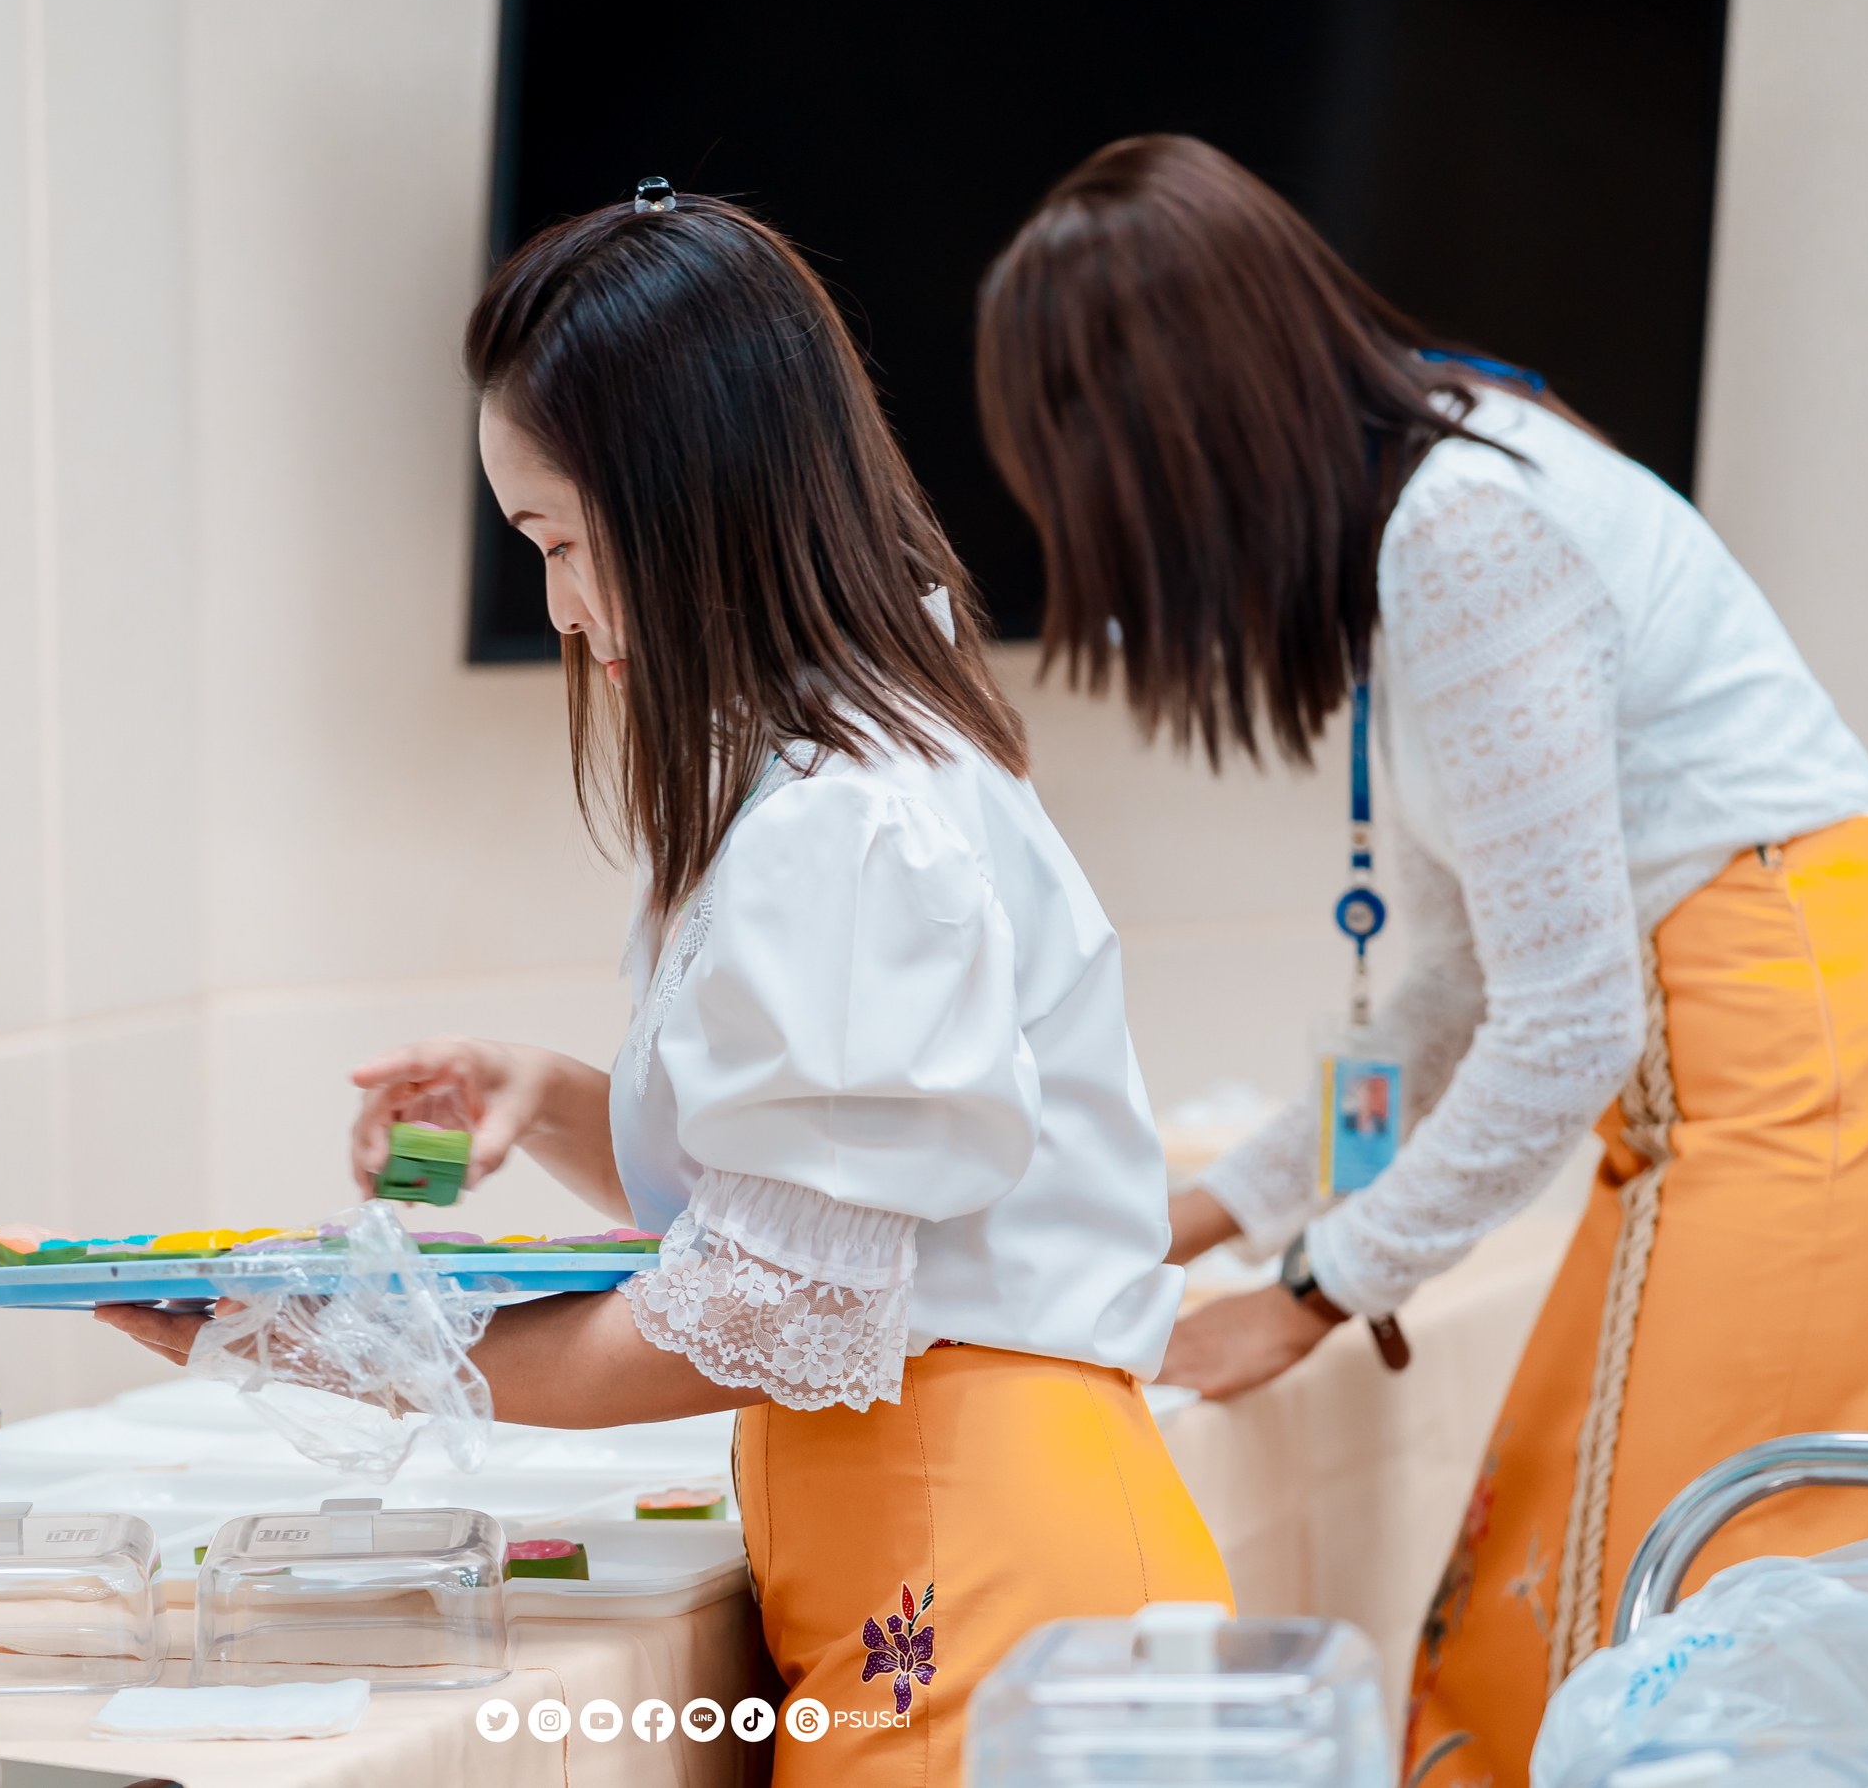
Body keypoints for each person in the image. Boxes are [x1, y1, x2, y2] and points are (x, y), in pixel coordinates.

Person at [101, 184, 1229, 1781]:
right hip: (950, 1544)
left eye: (561, 542)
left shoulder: (843, 822)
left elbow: (772, 1309)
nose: (561, 609)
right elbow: (790, 1208)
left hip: (979, 1569)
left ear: (689, 493)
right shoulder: (839, 776)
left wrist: (350, 1351)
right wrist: (551, 1094)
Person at [972, 135, 1868, 1787]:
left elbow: (1567, 1021)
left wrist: (1312, 1293)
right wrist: (1212, 1210)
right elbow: (1461, 994)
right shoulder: (1437, 503)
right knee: (1546, 1639)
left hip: (1804, 1079)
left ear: (1171, 433)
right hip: (1754, 1075)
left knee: (1634, 1675)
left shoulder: (1463, 537)